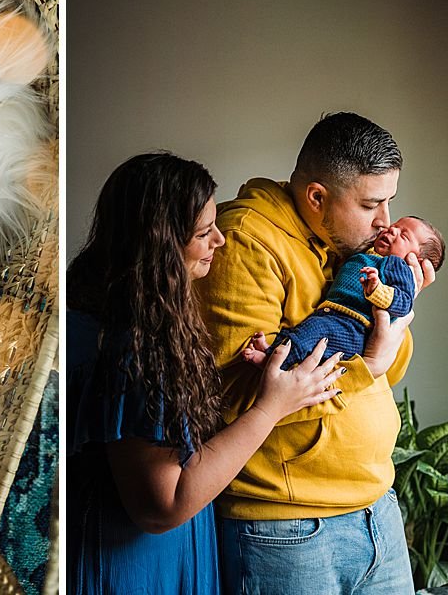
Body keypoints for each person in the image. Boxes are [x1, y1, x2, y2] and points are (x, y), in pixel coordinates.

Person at [67, 151, 347, 594]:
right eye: (203, 232)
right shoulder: (133, 346)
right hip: (134, 566)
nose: (219, 240)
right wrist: (272, 407)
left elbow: (150, 429)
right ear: (160, 246)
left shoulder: (103, 314)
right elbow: (163, 506)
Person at [196, 112, 436, 594]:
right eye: (372, 204)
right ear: (318, 198)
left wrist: (400, 307)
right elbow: (236, 398)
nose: (386, 221)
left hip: (376, 508)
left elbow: (389, 369)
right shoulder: (247, 241)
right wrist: (367, 363)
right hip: (288, 527)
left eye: (389, 201)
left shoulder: (349, 243)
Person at [254, 215, 445, 369]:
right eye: (395, 225)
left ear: (416, 261)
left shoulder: (396, 265)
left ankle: (273, 364)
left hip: (353, 326)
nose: (391, 229)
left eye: (404, 236)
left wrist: (377, 290)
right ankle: (272, 350)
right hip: (335, 315)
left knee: (312, 334)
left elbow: (403, 303)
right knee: (302, 331)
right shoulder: (367, 255)